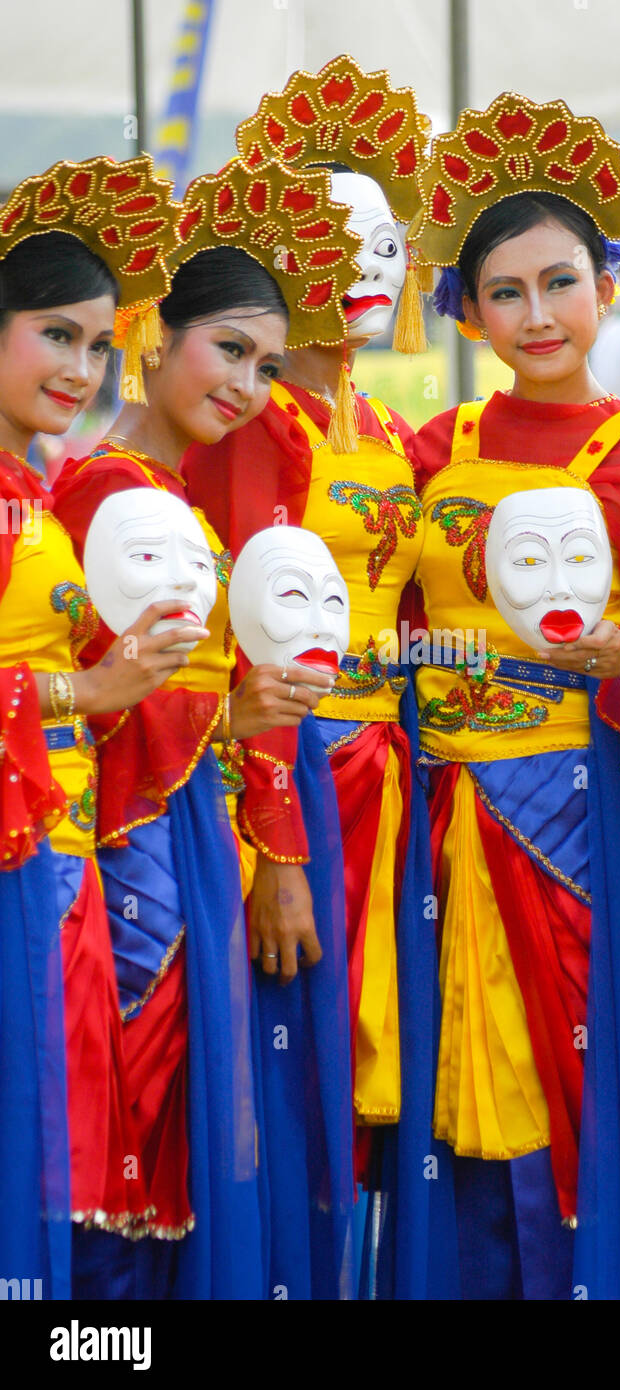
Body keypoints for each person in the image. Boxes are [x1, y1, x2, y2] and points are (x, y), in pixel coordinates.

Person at [409, 93, 620, 1300]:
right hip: (443, 828)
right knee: (451, 1097)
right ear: (467, 309)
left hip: (587, 817)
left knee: (582, 1088)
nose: (535, 315)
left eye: (559, 282)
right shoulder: (433, 449)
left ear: (609, 285)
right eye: (504, 292)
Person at [51, 157, 360, 1298]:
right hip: (129, 845)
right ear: (149, 337)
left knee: (178, 1105)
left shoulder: (170, 493)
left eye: (266, 363)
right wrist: (226, 716)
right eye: (227, 349)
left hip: (187, 833)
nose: (247, 383)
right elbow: (91, 693)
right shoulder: (100, 492)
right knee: (137, 1096)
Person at [184, 56, 458, 1300]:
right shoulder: (253, 429)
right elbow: (239, 655)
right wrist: (278, 847)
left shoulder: (392, 434)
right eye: (331, 231)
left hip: (388, 787)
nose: (365, 257)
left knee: (374, 1070)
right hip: (286, 783)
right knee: (285, 1050)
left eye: (385, 233)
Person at [0, 155, 211, 1297]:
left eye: (95, 343)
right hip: (18, 859)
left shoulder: (36, 494)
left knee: (63, 1139)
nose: (81, 369)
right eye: (53, 335)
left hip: (58, 851)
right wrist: (84, 693)